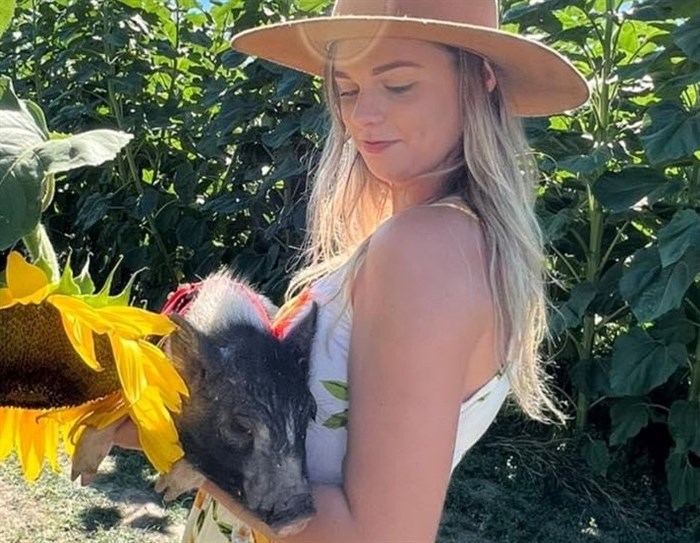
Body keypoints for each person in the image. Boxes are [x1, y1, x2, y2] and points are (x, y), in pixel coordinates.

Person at [113, 1, 588, 542]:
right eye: (347, 89)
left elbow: (378, 536)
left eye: (399, 85)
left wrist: (198, 460)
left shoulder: (424, 248)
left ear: (478, 81)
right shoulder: (450, 241)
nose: (362, 115)